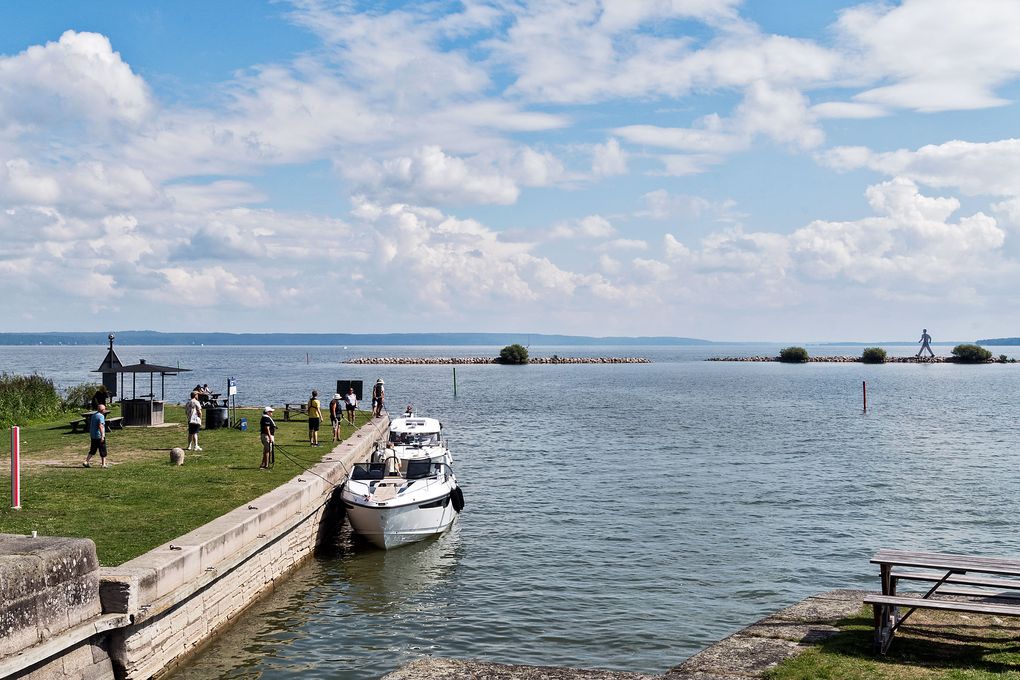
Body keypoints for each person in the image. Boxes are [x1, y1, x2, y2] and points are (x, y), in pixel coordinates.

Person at [82, 404, 108, 468]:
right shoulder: (101, 416)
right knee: (102, 449)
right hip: (99, 436)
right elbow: (101, 426)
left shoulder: (94, 415)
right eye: (104, 409)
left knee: (93, 449)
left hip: (93, 435)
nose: (105, 410)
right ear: (102, 410)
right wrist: (102, 436)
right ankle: (103, 464)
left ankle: (86, 461)